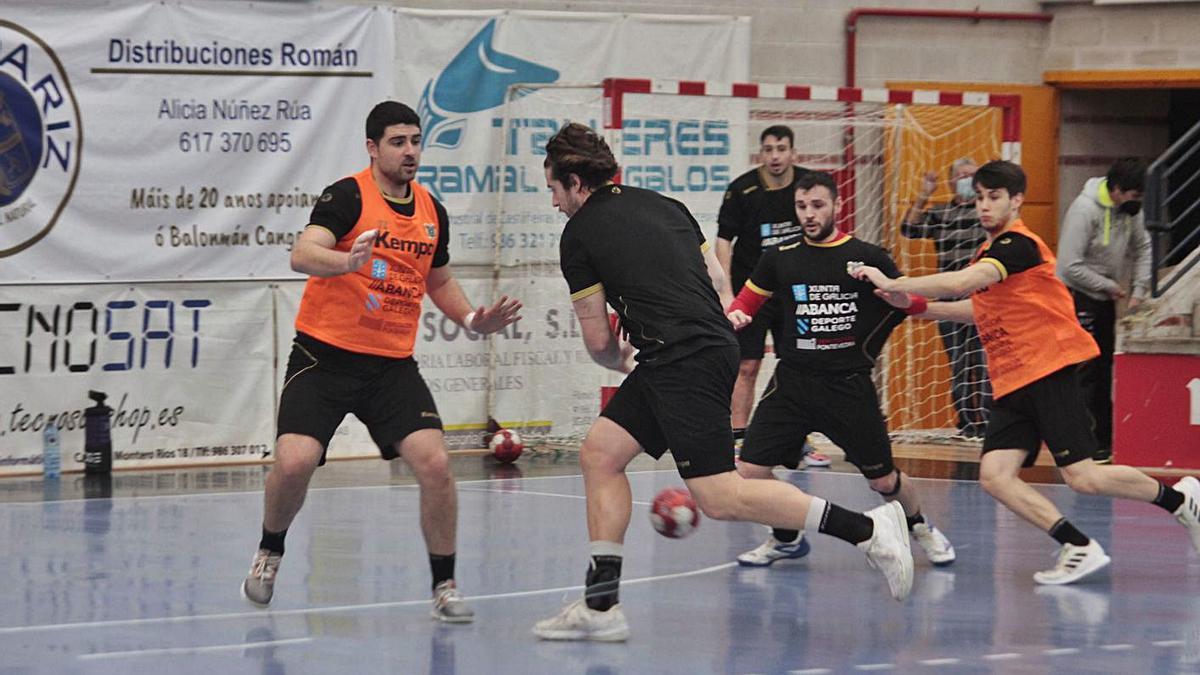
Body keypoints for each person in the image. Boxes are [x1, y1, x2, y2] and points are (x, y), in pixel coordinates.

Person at [533, 123, 914, 642]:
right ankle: (601, 606)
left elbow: (598, 338)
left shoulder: (577, 236)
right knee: (600, 455)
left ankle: (869, 529)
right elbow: (716, 279)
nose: (554, 201)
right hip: (693, 349)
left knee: (720, 496)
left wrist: (617, 359)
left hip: (681, 359)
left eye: (553, 188)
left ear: (575, 181)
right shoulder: (667, 204)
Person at [851, 160, 1200, 585]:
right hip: (1013, 380)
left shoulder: (1018, 246)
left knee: (1083, 478)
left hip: (1047, 370)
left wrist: (897, 282)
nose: (984, 206)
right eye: (979, 197)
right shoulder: (990, 251)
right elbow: (976, 309)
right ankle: (1078, 545)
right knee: (996, 477)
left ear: (1016, 201)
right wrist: (914, 308)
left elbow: (965, 282)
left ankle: (1180, 499)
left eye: (994, 197)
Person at [240, 101, 523, 621]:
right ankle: (269, 551)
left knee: (436, 464)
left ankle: (445, 585)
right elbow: (303, 253)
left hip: (390, 366)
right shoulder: (348, 196)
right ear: (373, 148)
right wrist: (346, 262)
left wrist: (472, 319)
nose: (410, 150)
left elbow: (437, 279)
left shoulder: (431, 210)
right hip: (323, 357)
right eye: (398, 141)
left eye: (416, 140)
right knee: (296, 461)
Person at [727, 170, 956, 569]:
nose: (809, 214)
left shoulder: (868, 257)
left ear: (837, 205)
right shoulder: (779, 258)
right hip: (792, 383)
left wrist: (915, 300)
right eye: (801, 206)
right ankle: (785, 537)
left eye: (817, 205)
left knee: (883, 481)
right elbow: (745, 302)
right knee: (748, 471)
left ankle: (921, 528)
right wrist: (736, 316)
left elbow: (909, 302)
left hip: (848, 387)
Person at [717, 125, 831, 467]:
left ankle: (800, 439)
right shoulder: (743, 190)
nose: (775, 156)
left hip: (796, 294)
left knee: (800, 365)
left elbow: (825, 233)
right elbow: (724, 240)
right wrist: (727, 293)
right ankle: (738, 440)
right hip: (753, 292)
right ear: (760, 153)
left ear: (793, 152)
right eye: (768, 149)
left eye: (781, 148)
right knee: (747, 365)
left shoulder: (809, 186)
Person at [1056, 158, 1151, 464]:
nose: (1137, 203)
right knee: (1086, 372)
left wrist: (1138, 291)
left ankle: (1102, 443)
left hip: (1105, 298)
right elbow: (1068, 265)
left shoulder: (1129, 211)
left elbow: (1143, 247)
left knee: (1103, 368)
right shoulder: (1084, 211)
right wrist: (1107, 285)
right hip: (1078, 296)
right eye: (1134, 196)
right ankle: (1081, 444)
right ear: (1118, 190)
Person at [900, 158, 991, 439]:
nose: (966, 180)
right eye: (961, 176)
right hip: (949, 302)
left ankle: (989, 425)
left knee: (986, 365)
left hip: (983, 301)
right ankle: (967, 424)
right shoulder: (941, 213)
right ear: (952, 182)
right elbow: (908, 229)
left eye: (971, 176)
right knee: (959, 364)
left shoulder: (984, 212)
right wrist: (925, 193)